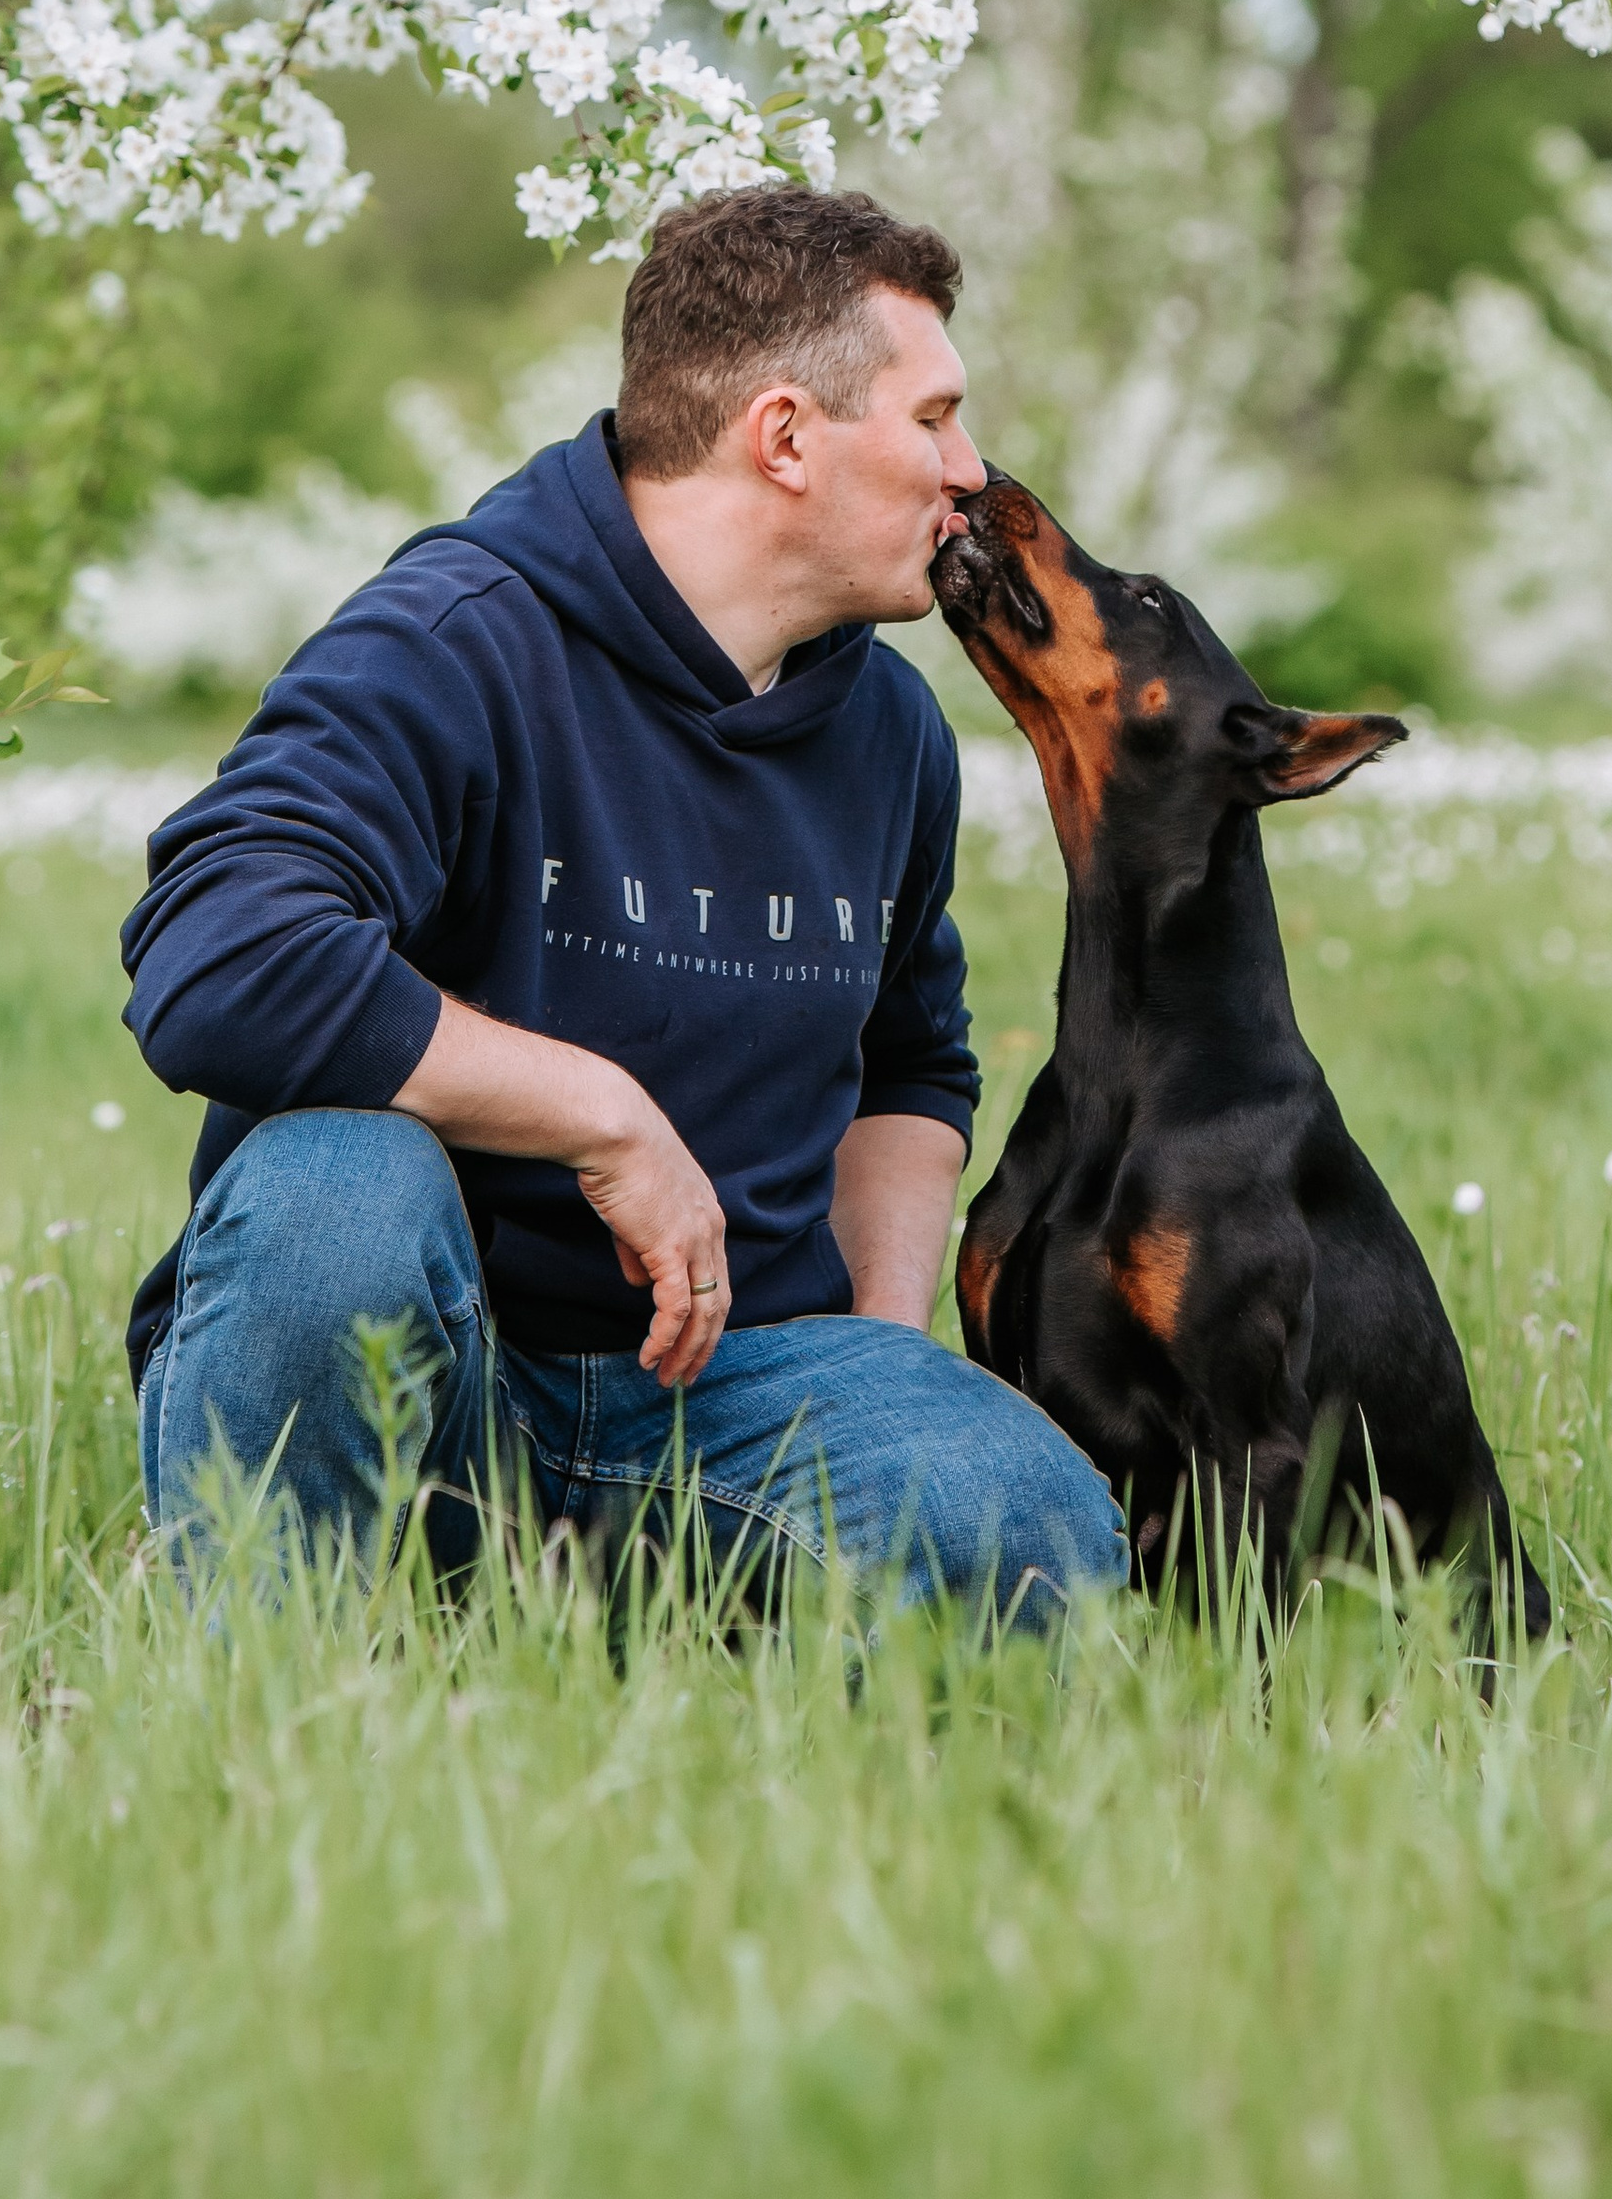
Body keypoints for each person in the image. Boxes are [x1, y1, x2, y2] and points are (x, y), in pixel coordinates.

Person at [118, 185, 1126, 1620]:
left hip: (730, 1394)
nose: (971, 468)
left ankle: (658, 1676)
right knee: (333, 1191)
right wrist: (602, 1114)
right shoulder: (457, 640)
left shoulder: (892, 731)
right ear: (785, 434)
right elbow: (217, 955)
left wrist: (880, 1353)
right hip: (437, 1374)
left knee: (1035, 1535)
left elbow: (912, 1056)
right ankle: (275, 1681)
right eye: (934, 417)